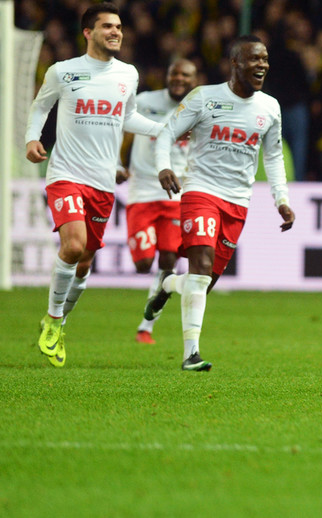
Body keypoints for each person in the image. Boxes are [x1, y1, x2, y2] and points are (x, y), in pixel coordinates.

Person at [145, 35, 296, 371]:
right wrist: (164, 166)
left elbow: (272, 157)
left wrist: (281, 199)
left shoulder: (270, 107)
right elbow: (167, 133)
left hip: (238, 202)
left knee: (203, 282)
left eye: (265, 59)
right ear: (234, 63)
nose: (262, 66)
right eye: (254, 59)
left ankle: (167, 283)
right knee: (200, 268)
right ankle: (191, 355)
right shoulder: (204, 98)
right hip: (200, 191)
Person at [25, 2, 164, 368]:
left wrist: (164, 128)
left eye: (118, 26)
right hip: (66, 174)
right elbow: (41, 107)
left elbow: (128, 116)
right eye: (107, 26)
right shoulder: (64, 72)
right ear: (88, 33)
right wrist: (31, 139)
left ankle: (58, 321)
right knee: (73, 246)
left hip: (103, 181)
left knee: (84, 263)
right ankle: (54, 321)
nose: (116, 32)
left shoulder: (128, 74)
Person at [117, 59, 198, 345]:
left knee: (168, 259)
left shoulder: (199, 109)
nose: (178, 78)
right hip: (141, 190)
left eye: (185, 75)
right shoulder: (145, 100)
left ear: (194, 79)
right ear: (167, 76)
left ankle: (146, 326)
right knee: (142, 263)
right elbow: (125, 136)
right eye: (174, 72)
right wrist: (119, 164)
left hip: (175, 195)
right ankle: (156, 296)